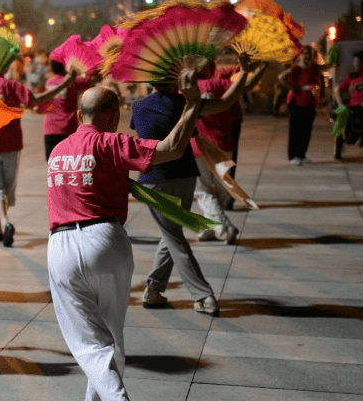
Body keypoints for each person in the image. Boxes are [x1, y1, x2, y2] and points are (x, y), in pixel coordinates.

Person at [47, 67, 202, 401]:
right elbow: (171, 149)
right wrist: (193, 104)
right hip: (107, 242)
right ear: (113, 114)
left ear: (79, 114)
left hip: (62, 247)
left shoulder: (58, 150)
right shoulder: (111, 143)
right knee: (108, 340)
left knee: (92, 345)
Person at [131, 52, 261, 315]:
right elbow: (226, 102)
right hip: (185, 175)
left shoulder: (138, 106)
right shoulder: (187, 102)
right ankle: (158, 290)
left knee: (173, 235)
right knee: (173, 235)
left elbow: (142, 130)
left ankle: (201, 296)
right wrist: (244, 72)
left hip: (154, 179)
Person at [0, 72, 76, 247]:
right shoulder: (12, 86)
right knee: (7, 186)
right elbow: (36, 100)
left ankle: (2, 224)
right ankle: (2, 224)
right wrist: (63, 85)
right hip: (11, 142)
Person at [192, 61, 268, 243]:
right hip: (223, 143)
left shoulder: (187, 87)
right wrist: (256, 68)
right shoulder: (219, 83)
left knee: (203, 191)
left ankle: (224, 227)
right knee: (222, 191)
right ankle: (210, 227)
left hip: (198, 145)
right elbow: (247, 85)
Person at [39, 59, 99, 160]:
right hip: (68, 129)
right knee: (69, 163)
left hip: (50, 129)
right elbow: (94, 80)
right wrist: (93, 66)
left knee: (53, 163)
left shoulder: (49, 83)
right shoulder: (74, 82)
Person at [278, 46, 325, 165]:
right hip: (297, 103)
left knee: (306, 131)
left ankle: (301, 154)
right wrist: (292, 88)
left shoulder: (314, 67)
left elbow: (318, 81)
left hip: (310, 104)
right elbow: (281, 77)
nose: (308, 56)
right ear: (300, 55)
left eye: (310, 54)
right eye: (305, 54)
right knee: (296, 130)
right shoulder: (296, 68)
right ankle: (293, 156)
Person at [333, 50, 363, 158]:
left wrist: (360, 84)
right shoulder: (351, 77)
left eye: (356, 62)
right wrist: (341, 104)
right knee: (341, 114)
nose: (353, 65)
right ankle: (340, 140)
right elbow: (337, 90)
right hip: (353, 107)